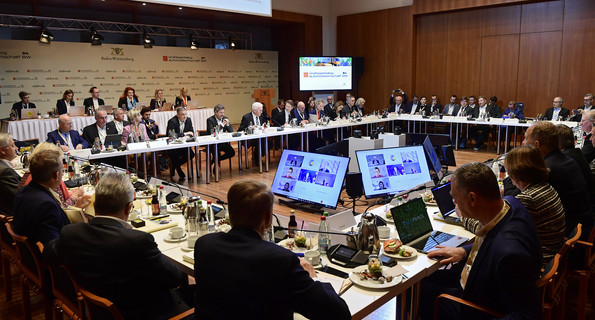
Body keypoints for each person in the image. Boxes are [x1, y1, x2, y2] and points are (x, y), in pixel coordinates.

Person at [193, 179, 350, 320]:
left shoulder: (204, 244)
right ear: (268, 218)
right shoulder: (280, 260)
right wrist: (313, 277)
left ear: (230, 213)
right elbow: (339, 314)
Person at [43, 173, 191, 320]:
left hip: (97, 313)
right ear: (128, 208)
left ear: (94, 206)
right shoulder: (138, 242)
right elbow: (175, 279)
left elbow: (48, 254)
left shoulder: (71, 234)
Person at [421, 162, 542, 320]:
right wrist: (464, 251)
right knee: (420, 282)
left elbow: (528, 315)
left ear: (472, 198)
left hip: (476, 306)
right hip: (477, 282)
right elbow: (491, 242)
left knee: (415, 293)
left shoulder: (510, 255)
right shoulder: (511, 203)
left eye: (455, 200)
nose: (455, 204)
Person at [463, 147, 566, 266]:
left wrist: (463, 215)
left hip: (535, 262)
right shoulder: (546, 188)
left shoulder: (528, 199)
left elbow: (488, 230)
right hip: (549, 253)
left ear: (514, 172)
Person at [524, 121, 593, 237]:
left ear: (537, 144)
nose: (523, 143)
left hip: (568, 236)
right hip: (581, 225)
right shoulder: (566, 160)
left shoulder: (547, 168)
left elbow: (520, 200)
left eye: (526, 139)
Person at [12, 147, 71, 244]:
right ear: (56, 175)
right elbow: (52, 247)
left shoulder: (23, 191)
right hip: (49, 256)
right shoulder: (46, 205)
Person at [19, 142, 88, 209]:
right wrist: (75, 197)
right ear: (56, 174)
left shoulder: (29, 180)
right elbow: (62, 209)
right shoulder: (49, 182)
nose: (63, 173)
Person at [558, 124, 595, 210]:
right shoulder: (575, 153)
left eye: (593, 135)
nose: (589, 139)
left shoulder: (565, 159)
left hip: (582, 212)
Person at [167, 107, 195, 179]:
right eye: (182, 114)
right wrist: (184, 134)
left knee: (191, 154)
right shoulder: (172, 121)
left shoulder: (188, 120)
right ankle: (178, 169)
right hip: (173, 146)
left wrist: (188, 135)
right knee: (175, 154)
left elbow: (191, 132)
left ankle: (175, 165)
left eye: (185, 114)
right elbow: (171, 135)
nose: (185, 116)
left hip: (183, 144)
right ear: (177, 115)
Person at [205, 104, 235, 172]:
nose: (222, 114)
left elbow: (231, 131)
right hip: (213, 143)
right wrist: (222, 125)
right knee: (216, 153)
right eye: (221, 112)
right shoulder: (210, 120)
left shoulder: (225, 118)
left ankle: (214, 160)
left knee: (232, 152)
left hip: (222, 142)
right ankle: (215, 166)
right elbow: (213, 132)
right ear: (215, 112)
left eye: (223, 112)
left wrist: (228, 124)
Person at [0, 133, 20, 216]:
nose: (16, 148)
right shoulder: (5, 172)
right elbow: (21, 198)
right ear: (2, 150)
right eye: (12, 146)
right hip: (12, 217)